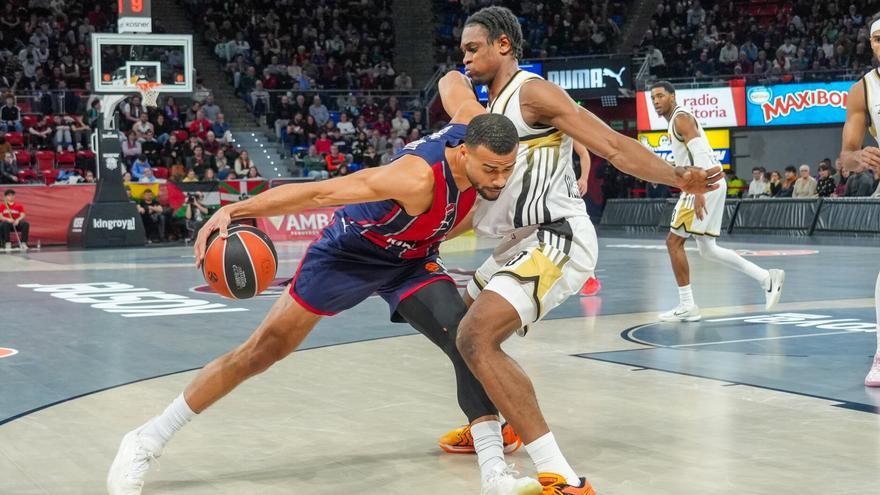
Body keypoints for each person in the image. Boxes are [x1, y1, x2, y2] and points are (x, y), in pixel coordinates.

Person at [107, 108, 523, 494]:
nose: (499, 180)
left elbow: (453, 82)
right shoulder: (415, 179)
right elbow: (321, 194)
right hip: (350, 254)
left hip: (411, 259)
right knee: (261, 352)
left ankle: (494, 472)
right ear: (464, 151)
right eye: (490, 169)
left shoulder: (478, 125)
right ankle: (146, 438)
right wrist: (238, 210)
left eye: (507, 169)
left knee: (464, 337)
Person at [436, 9, 721, 494]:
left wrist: (678, 177)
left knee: (475, 336)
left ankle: (563, 479)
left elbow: (612, 144)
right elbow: (451, 94)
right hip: (520, 240)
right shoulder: (493, 105)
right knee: (460, 329)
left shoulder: (533, 93)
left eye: (472, 48)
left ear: (503, 45)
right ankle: (500, 424)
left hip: (558, 237)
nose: (464, 58)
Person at [650, 81, 784, 322]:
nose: (656, 101)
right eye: (653, 98)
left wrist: (698, 190)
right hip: (711, 181)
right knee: (707, 249)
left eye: (660, 96)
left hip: (704, 183)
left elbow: (699, 153)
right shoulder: (676, 121)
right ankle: (766, 278)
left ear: (673, 96)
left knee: (673, 242)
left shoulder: (681, 118)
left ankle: (687, 304)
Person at [838, 17, 880, 387]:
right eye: (879, 39)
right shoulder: (862, 89)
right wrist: (860, 157)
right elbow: (845, 156)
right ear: (871, 44)